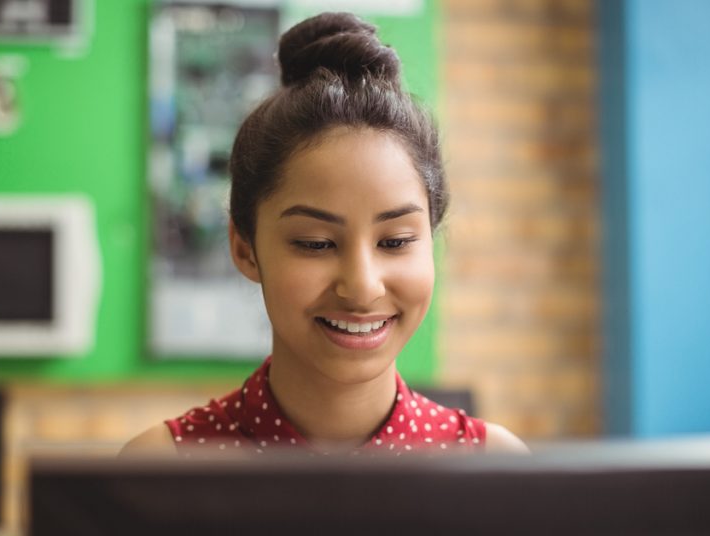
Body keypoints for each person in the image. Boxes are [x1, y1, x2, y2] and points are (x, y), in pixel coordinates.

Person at [122, 12, 526, 458]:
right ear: (245, 248)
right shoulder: (167, 466)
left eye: (394, 242)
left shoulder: (491, 464)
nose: (361, 285)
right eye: (316, 243)